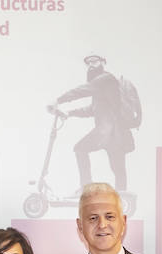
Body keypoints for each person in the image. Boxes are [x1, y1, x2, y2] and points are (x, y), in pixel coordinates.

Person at [53, 54, 134, 192]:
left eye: (94, 61)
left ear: (103, 62)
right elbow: (92, 109)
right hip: (117, 133)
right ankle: (123, 199)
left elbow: (80, 91)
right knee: (118, 169)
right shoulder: (102, 87)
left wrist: (58, 100)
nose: (90, 65)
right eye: (88, 63)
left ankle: (87, 187)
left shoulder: (105, 79)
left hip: (107, 131)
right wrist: (70, 113)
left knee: (80, 149)